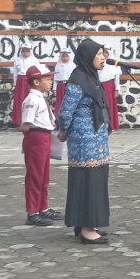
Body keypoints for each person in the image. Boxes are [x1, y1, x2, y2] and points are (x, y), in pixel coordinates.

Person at [56, 39, 113, 245]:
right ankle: (88, 230)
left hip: (97, 141)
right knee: (89, 182)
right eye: (99, 54)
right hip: (84, 144)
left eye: (103, 54)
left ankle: (87, 223)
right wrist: (63, 130)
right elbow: (66, 111)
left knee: (96, 181)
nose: (103, 57)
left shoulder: (91, 77)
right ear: (88, 56)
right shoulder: (78, 79)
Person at [20, 64, 59, 226]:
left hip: (45, 136)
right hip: (36, 136)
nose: (51, 81)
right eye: (47, 79)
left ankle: (43, 207)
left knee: (44, 176)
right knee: (35, 176)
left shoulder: (40, 97)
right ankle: (33, 211)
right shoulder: (32, 100)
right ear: (36, 81)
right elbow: (25, 125)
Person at [9, 45, 41, 129]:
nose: (25, 53)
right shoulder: (17, 60)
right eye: (24, 51)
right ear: (21, 51)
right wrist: (15, 84)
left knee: (31, 101)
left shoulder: (35, 60)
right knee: (20, 101)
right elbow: (15, 73)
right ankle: (20, 122)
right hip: (20, 82)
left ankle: (32, 121)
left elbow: (38, 73)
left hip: (30, 81)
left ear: (30, 51)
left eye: (27, 51)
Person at [98, 50, 122, 130]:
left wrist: (117, 89)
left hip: (109, 85)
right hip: (99, 85)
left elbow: (117, 77)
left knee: (109, 105)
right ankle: (102, 124)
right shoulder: (98, 60)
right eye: (103, 52)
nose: (104, 54)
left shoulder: (114, 62)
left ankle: (111, 125)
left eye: (106, 52)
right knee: (100, 105)